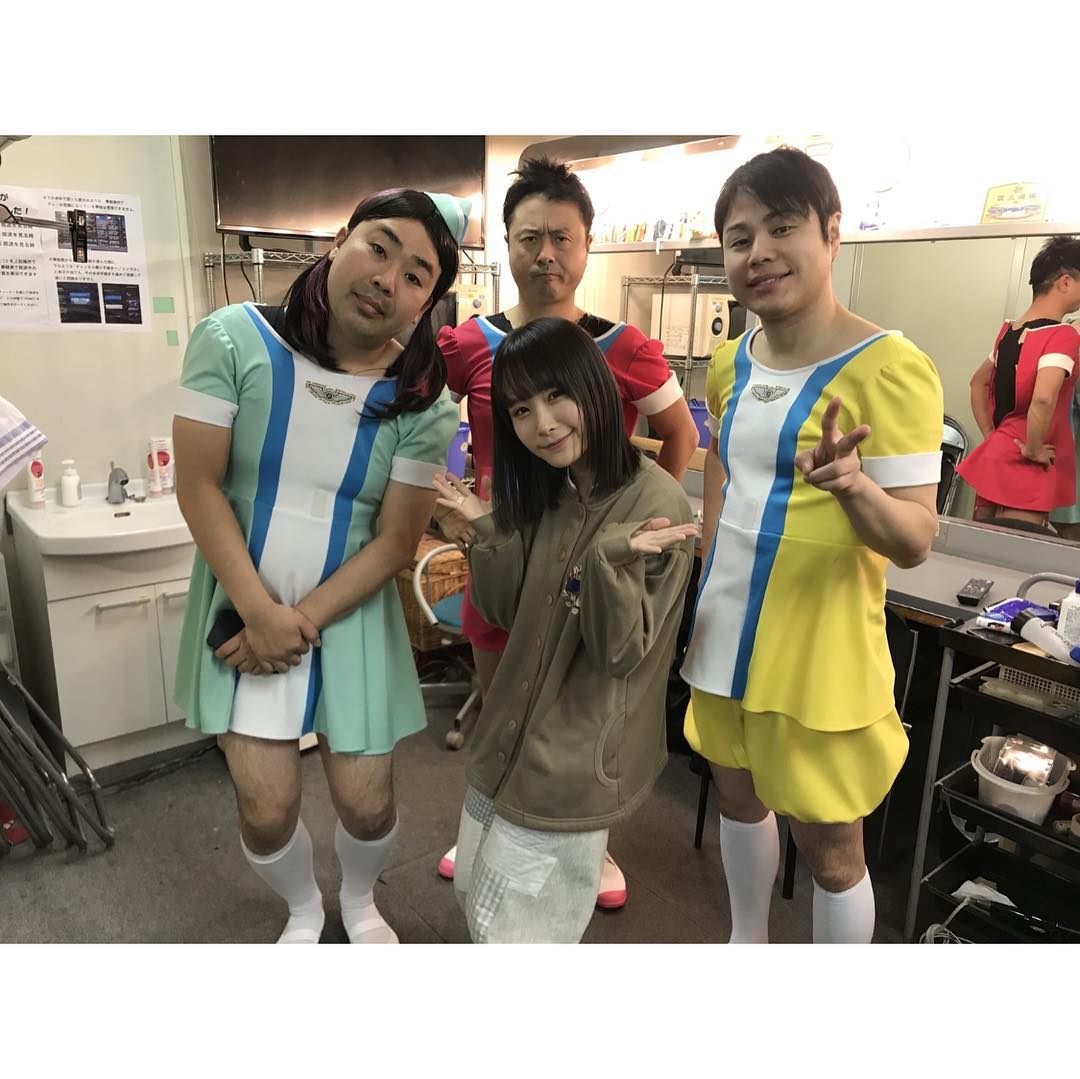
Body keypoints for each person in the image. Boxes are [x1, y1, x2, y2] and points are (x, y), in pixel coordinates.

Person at [172, 189, 469, 943]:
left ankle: (360, 902)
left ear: (427, 300)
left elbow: (396, 541)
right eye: (379, 247)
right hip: (243, 608)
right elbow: (198, 484)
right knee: (265, 808)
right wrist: (259, 612)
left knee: (367, 803)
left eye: (416, 275)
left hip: (351, 615)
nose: (387, 280)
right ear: (341, 239)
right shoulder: (232, 340)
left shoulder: (421, 402)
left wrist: (292, 623)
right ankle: (304, 907)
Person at [681, 147, 943, 943]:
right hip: (725, 630)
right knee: (737, 798)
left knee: (831, 850)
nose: (758, 253)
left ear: (832, 232)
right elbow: (720, 466)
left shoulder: (892, 367)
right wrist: (706, 556)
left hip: (820, 646)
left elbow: (917, 539)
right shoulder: (728, 363)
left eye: (781, 228)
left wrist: (855, 487)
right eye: (739, 238)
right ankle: (747, 942)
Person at [433, 156, 700, 907]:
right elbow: (418, 420)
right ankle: (497, 813)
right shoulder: (471, 342)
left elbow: (679, 434)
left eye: (561, 237)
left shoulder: (623, 346)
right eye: (529, 238)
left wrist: (640, 517)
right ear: (507, 247)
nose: (545, 254)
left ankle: (588, 836)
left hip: (597, 558)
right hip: (504, 549)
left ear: (586, 245)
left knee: (586, 709)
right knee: (502, 691)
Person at [960, 235, 1080, 530]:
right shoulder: (1062, 335)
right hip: (1028, 461)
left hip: (998, 453)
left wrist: (991, 434)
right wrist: (1034, 449)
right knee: (1015, 550)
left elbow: (977, 383)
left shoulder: (1008, 332)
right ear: (1065, 283)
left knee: (981, 547)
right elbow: (1043, 397)